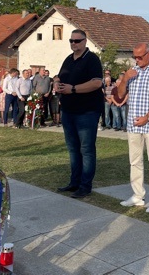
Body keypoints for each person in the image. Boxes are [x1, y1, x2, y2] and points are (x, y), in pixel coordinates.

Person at [118, 42, 149, 214]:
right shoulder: (132, 71)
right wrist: (125, 79)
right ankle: (137, 195)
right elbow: (120, 94)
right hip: (133, 124)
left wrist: (148, 116)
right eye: (135, 57)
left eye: (140, 57)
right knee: (135, 161)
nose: (137, 60)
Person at [56, 29, 104, 199]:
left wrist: (73, 89)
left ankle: (85, 186)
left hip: (87, 111)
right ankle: (74, 182)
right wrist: (56, 83)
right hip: (69, 110)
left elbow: (97, 83)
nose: (73, 44)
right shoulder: (68, 59)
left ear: (85, 41)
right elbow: (59, 76)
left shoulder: (92, 59)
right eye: (71, 41)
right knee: (73, 149)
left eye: (77, 41)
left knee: (86, 149)